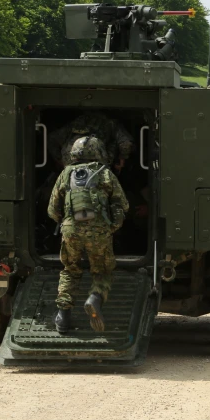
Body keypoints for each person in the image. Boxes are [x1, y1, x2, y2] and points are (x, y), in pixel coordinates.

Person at [47, 136, 129, 334]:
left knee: (70, 270)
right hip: (99, 231)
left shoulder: (66, 174)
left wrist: (65, 223)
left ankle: (63, 317)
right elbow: (122, 205)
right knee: (102, 271)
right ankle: (94, 298)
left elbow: (52, 209)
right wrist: (111, 227)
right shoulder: (105, 174)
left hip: (71, 231)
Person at [48, 111, 135, 172]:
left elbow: (52, 139)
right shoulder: (110, 123)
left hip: (71, 161)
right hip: (99, 166)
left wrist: (59, 159)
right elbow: (126, 144)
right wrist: (122, 159)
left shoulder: (74, 124)